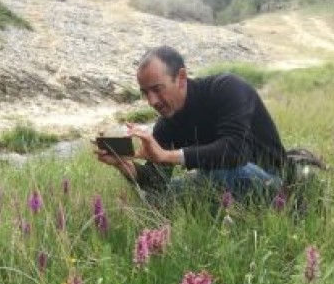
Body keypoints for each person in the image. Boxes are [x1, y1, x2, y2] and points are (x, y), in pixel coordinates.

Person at [95, 45, 288, 204]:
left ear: (181, 78)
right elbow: (156, 181)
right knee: (153, 198)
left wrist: (166, 155)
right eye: (145, 93)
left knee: (219, 173)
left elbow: (235, 151)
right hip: (218, 180)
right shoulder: (165, 126)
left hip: (270, 177)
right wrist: (124, 165)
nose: (152, 101)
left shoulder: (227, 88)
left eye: (157, 89)